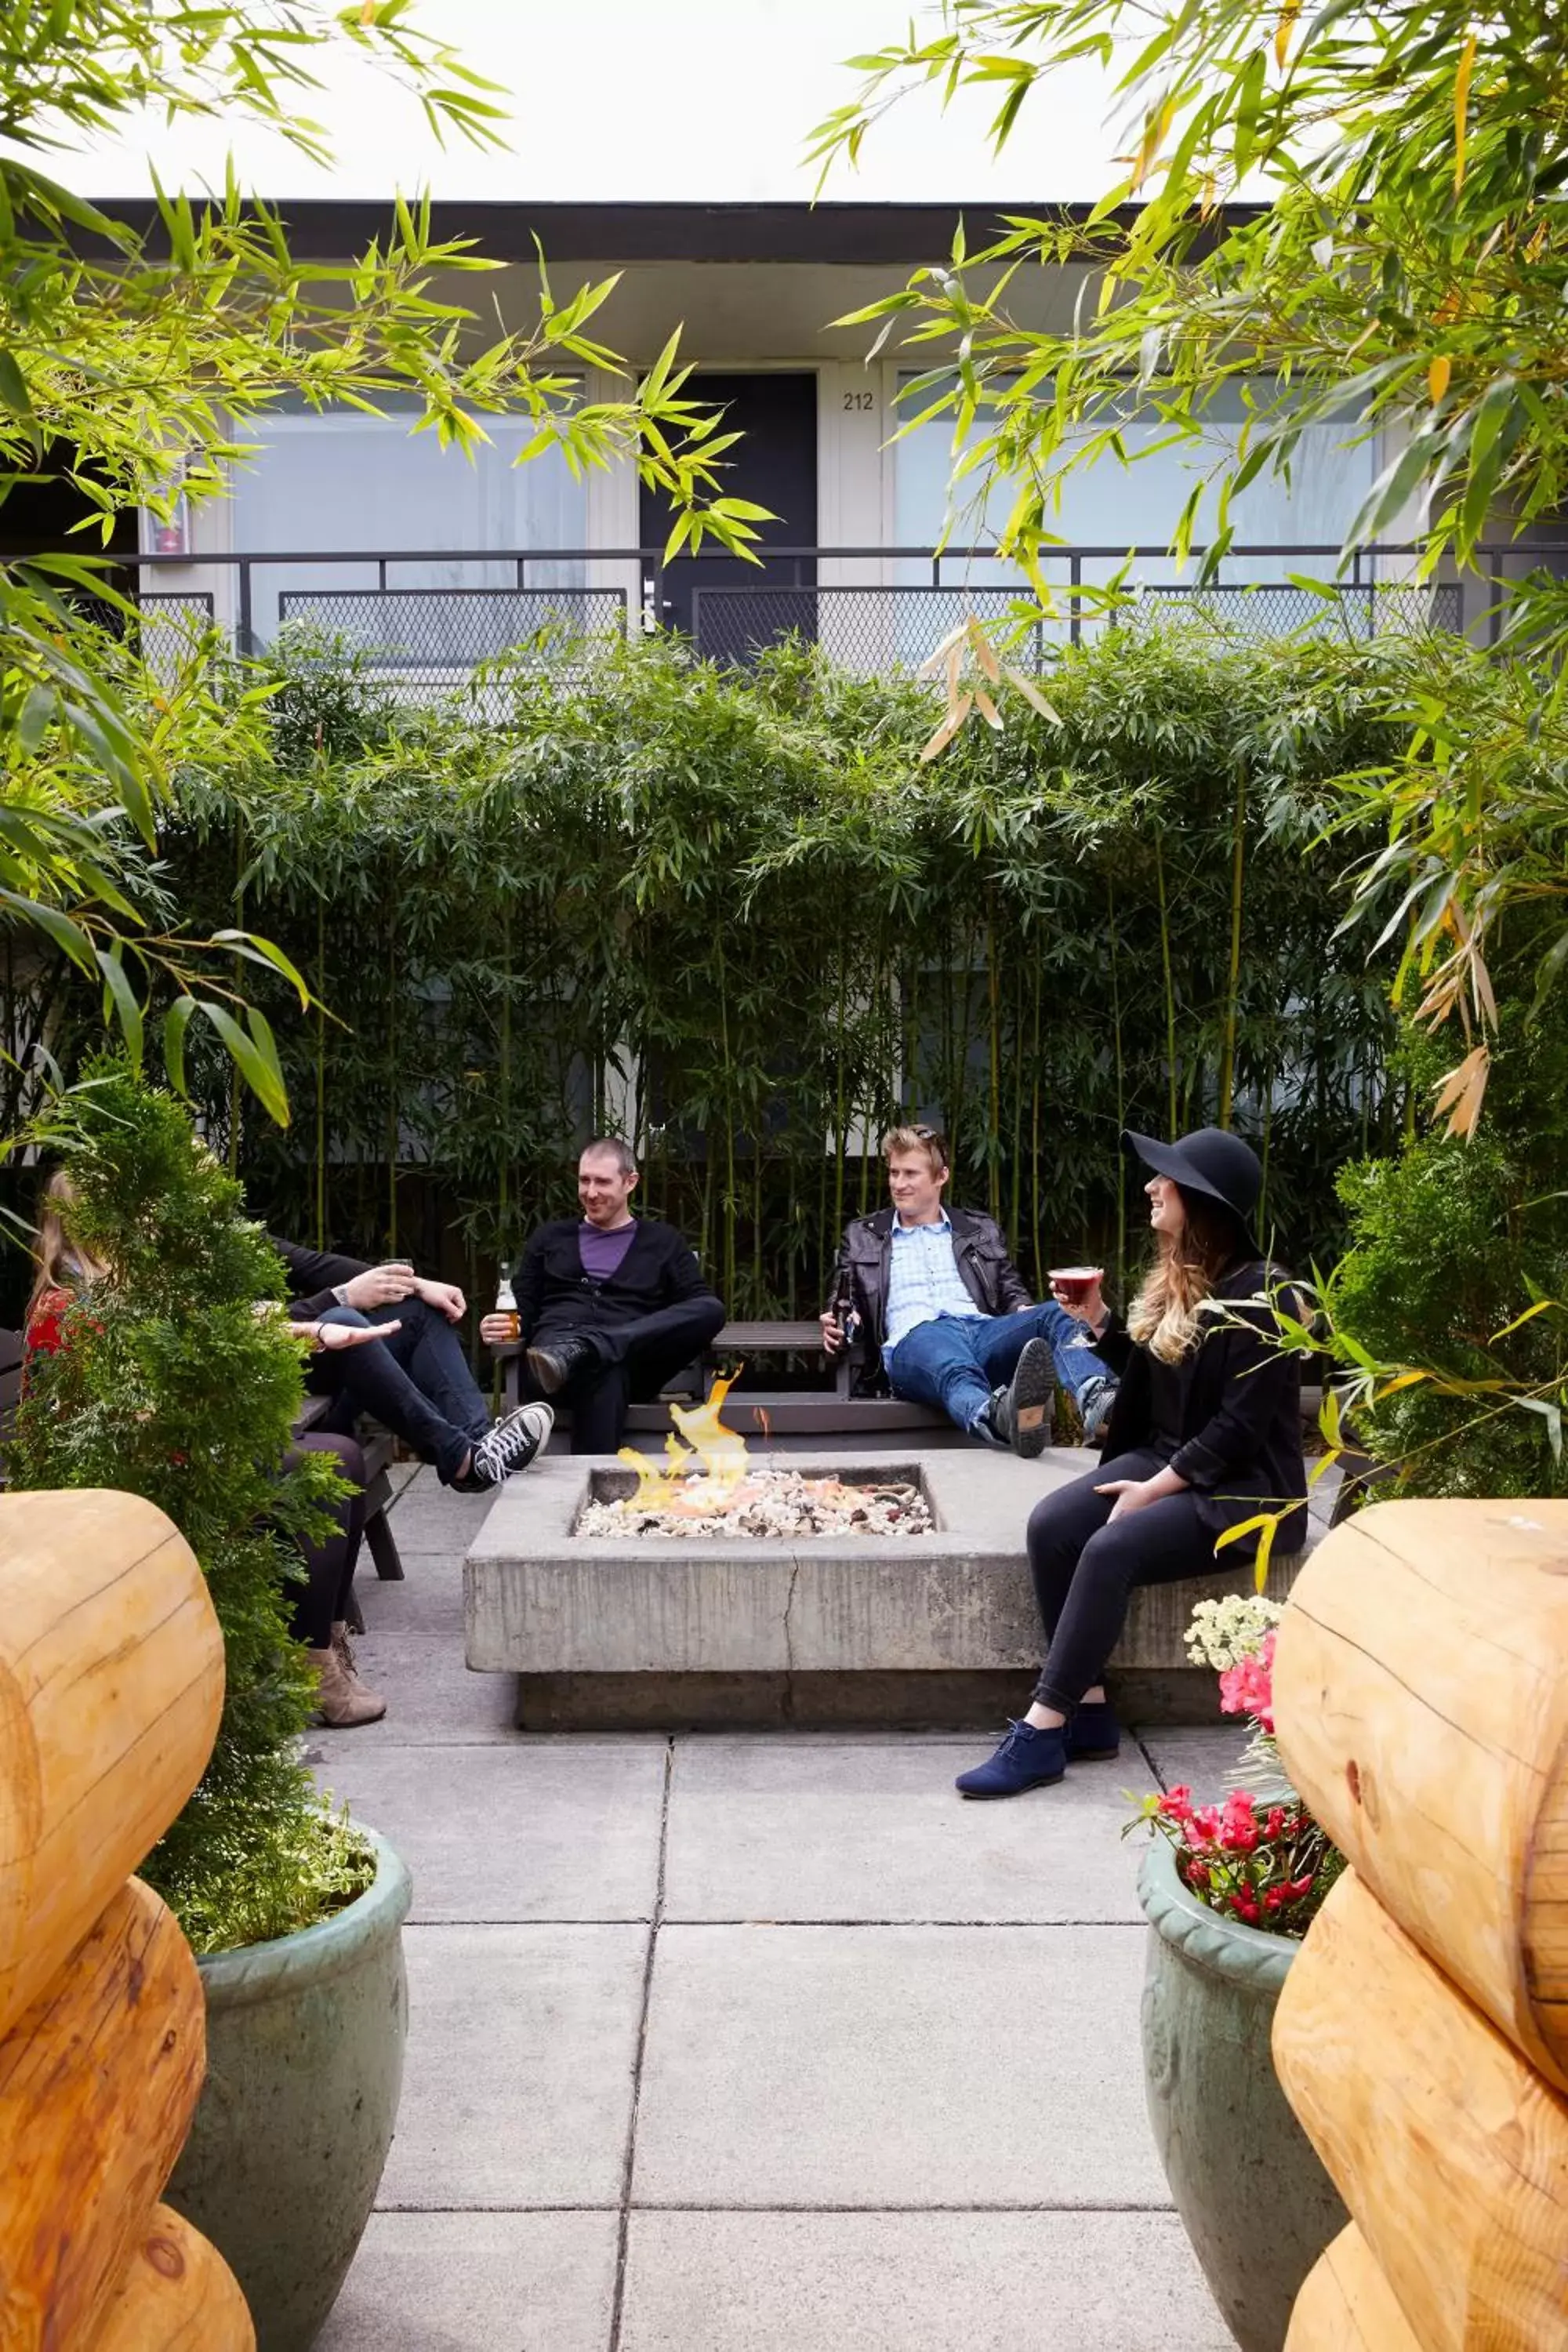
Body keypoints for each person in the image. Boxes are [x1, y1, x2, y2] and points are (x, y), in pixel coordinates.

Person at [955, 1126, 1307, 1798]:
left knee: (1110, 1547)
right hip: (1170, 1459)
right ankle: (1088, 1711)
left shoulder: (1268, 1296)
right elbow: (1162, 1385)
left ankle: (1042, 1727)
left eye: (1165, 1180)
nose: (1150, 1187)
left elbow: (1238, 1428)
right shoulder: (1182, 1278)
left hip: (1244, 1490)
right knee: (1052, 1525)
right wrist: (1103, 1326)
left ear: (1201, 1200)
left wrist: (1153, 1490)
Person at [24, 1172, 392, 1728]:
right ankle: (312, 1667)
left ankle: (322, 1651)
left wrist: (318, 1332)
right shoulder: (69, 1306)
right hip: (122, 1483)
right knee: (323, 1467)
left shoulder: (117, 1289)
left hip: (165, 1459)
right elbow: (116, 1419)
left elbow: (220, 1326)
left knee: (340, 1456)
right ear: (96, 1223)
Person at [821, 1124, 1116, 1457]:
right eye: (893, 1173)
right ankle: (994, 1418)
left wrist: (1023, 1312)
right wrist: (839, 1322)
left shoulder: (978, 1229)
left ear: (940, 1176)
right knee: (951, 1363)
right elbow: (844, 1296)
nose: (898, 1184)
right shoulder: (864, 1234)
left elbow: (1010, 1289)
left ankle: (1100, 1404)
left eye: (910, 1174)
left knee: (1060, 1313)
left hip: (981, 1331)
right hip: (915, 1340)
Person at [480, 1137, 726, 1455]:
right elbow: (522, 1309)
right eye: (584, 1180)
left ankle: (595, 1348)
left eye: (602, 1182)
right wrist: (496, 1326)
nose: (591, 1192)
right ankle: (595, 1489)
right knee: (606, 1368)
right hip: (551, 1367)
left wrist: (617, 1341)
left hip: (632, 1365)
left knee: (711, 1310)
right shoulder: (550, 1237)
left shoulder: (663, 1242)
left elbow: (699, 1305)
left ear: (630, 1182)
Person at [274, 1239, 553, 1493]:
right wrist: (345, 1296)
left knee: (420, 1313)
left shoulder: (240, 1230)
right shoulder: (229, 1247)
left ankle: (481, 1446)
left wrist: (417, 1286)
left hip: (322, 1388)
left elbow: (311, 1265)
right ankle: (462, 1458)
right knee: (344, 1319)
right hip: (284, 1404)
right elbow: (251, 1328)